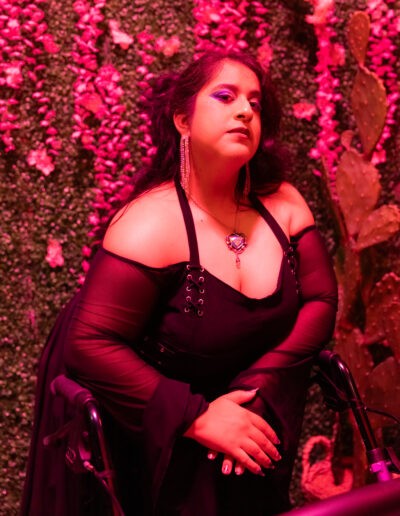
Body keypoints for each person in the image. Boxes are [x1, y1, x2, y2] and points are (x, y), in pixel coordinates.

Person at [21, 50, 338, 516]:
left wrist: (264, 384)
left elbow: (321, 299)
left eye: (254, 102)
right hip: (164, 450)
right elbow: (88, 345)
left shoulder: (285, 204)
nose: (245, 110)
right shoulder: (149, 223)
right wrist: (200, 418)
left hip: (258, 425)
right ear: (182, 120)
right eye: (225, 96)